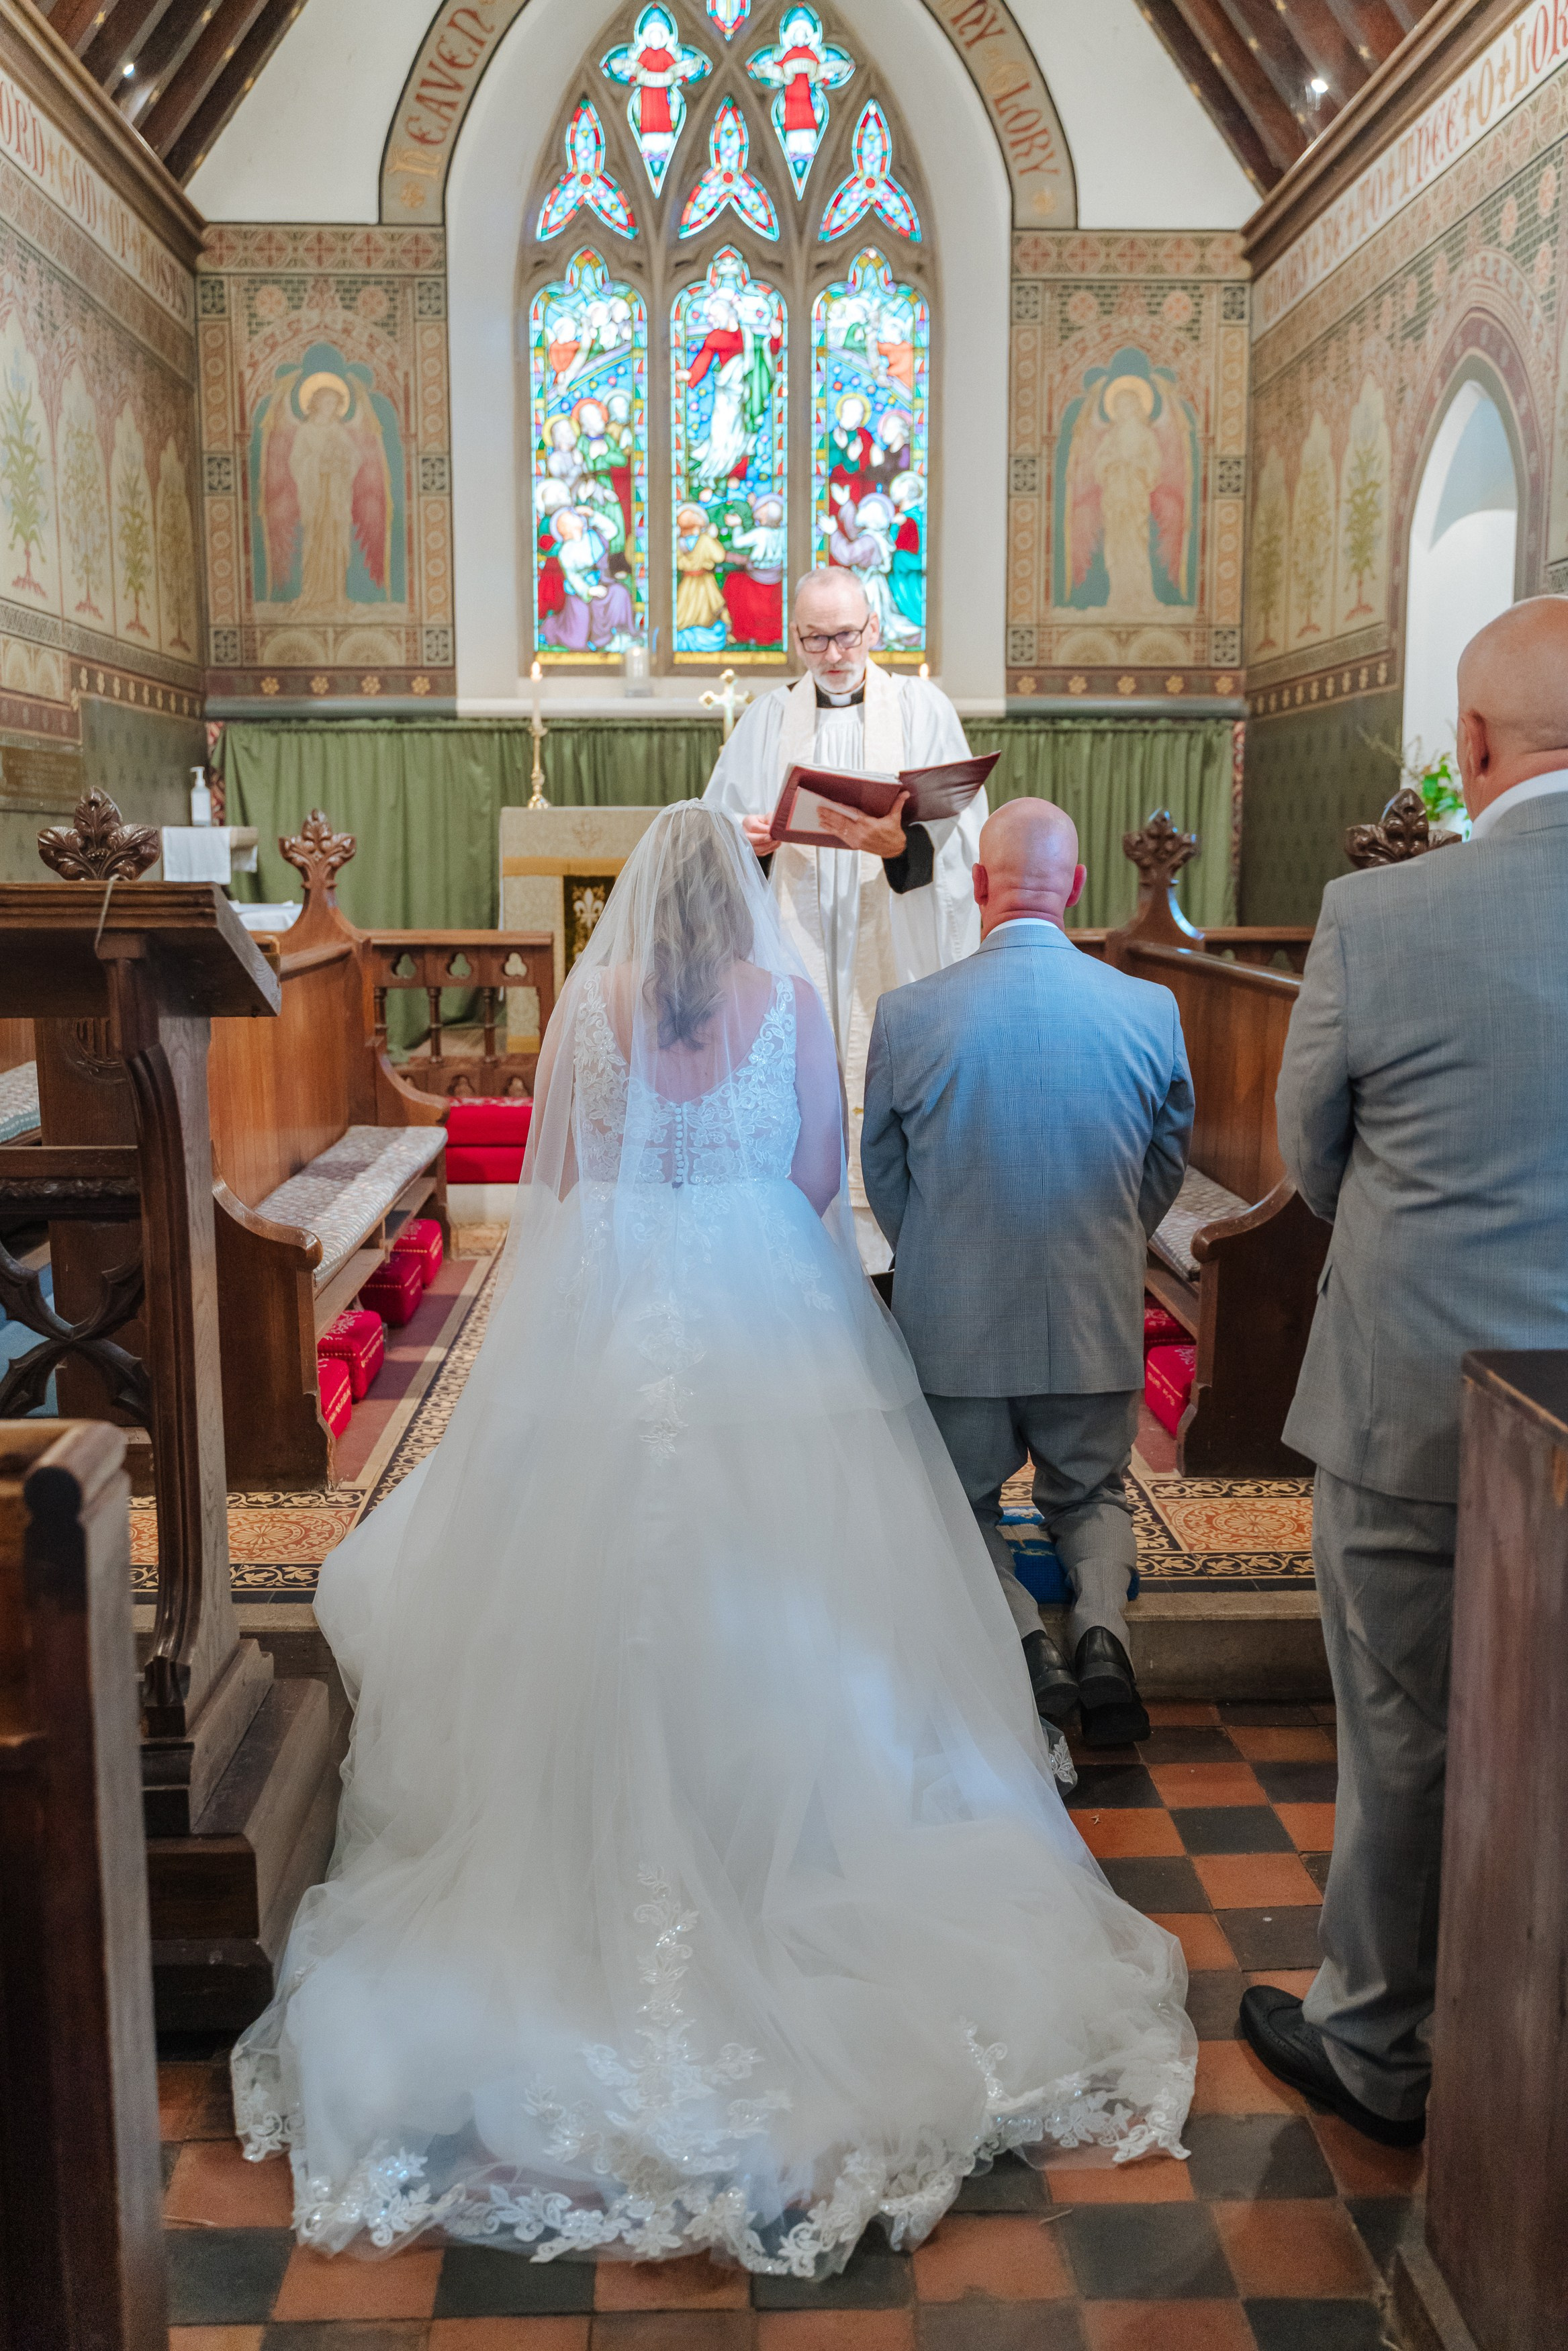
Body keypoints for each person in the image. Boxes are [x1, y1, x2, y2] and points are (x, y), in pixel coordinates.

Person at [230, 803, 1195, 2272]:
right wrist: (730, 1214)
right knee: (798, 1584)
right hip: (765, 1311)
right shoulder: (792, 1002)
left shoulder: (596, 1004)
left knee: (590, 1577)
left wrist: (648, 1213)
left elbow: (556, 1179)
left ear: (633, 904)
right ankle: (780, 1841)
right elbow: (818, 1176)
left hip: (614, 1320)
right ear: (745, 903)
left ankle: (592, 1831)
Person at [1240, 596, 1568, 2146]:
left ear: (1472, 746)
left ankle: (1374, 2046)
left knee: (1402, 1735)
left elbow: (1305, 1161)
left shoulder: (1379, 921)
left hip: (1412, 1410)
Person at [861, 799, 1193, 1744]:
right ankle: (1098, 1633)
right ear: (1077, 887)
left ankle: (1022, 1647)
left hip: (953, 1322)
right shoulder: (1146, 1009)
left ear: (974, 887)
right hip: (1092, 1310)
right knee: (1089, 1494)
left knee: (959, 1503)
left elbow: (883, 1171)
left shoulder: (910, 1014)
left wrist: (938, 1254)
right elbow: (1162, 1159)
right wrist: (1105, 1242)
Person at [704, 567, 984, 1270]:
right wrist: (750, 843)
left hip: (893, 943)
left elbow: (967, 850)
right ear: (792, 636)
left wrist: (903, 847)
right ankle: (797, 1262)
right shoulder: (767, 720)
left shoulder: (923, 710)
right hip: (792, 951)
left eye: (846, 635)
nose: (833, 654)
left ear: (874, 629)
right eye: (815, 638)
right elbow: (714, 834)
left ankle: (895, 1268)